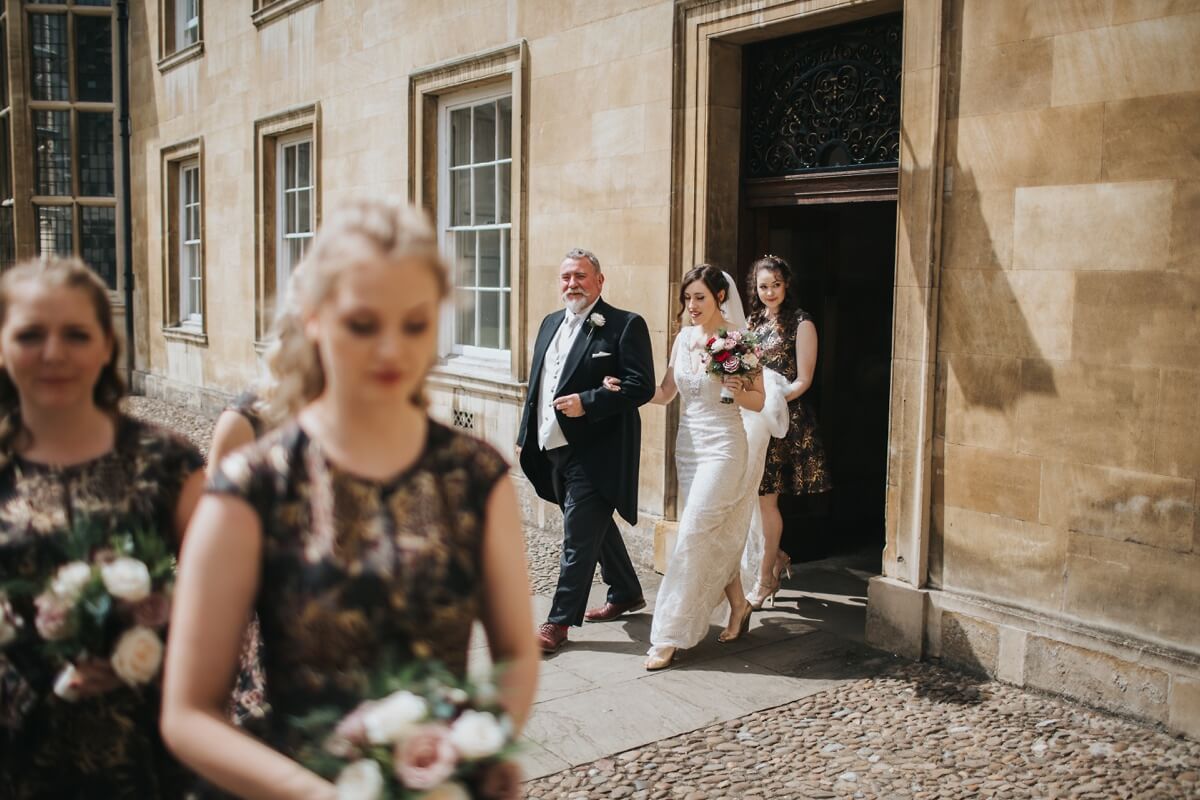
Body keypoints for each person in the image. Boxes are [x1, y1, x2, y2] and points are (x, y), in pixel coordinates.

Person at [161, 197, 539, 799]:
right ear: (313, 318)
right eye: (363, 325)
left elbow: (517, 653)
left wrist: (481, 742)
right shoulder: (250, 487)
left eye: (414, 325)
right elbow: (188, 713)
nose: (391, 351)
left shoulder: (476, 476)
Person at [0, 257, 205, 798]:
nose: (53, 353)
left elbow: (223, 599)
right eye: (29, 335)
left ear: (107, 345)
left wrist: (151, 642)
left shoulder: (168, 461)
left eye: (75, 334)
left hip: (144, 742)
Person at [516, 248, 655, 654]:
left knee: (576, 537)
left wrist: (589, 402)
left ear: (599, 280)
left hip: (597, 452)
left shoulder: (624, 325)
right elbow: (537, 384)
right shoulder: (548, 324)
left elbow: (640, 386)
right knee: (593, 525)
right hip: (552, 447)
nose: (572, 284)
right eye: (566, 277)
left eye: (580, 276)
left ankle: (557, 623)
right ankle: (627, 590)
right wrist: (526, 432)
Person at [632, 265, 767, 671]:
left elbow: (759, 402)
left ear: (719, 297)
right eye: (687, 299)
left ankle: (668, 636)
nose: (691, 306)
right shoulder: (683, 338)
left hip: (725, 447)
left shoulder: (739, 341)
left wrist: (737, 390)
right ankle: (739, 604)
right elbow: (667, 392)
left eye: (699, 298)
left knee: (691, 535)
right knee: (710, 532)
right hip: (688, 448)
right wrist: (624, 390)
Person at [743, 255, 831, 609]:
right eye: (763, 286)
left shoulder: (801, 322)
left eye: (775, 285)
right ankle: (775, 555)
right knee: (749, 497)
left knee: (766, 499)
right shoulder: (752, 322)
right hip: (752, 418)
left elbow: (804, 380)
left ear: (787, 284)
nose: (769, 292)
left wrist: (773, 399)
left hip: (783, 421)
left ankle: (765, 579)